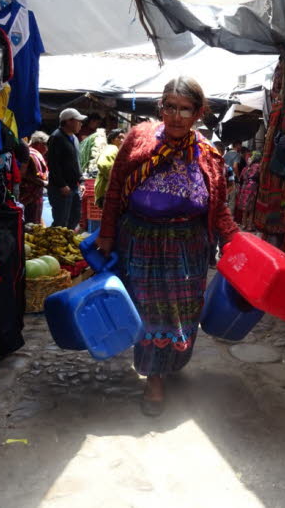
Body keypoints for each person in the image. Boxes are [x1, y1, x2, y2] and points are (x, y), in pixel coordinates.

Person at [98, 77, 238, 416]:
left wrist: (235, 242)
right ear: (161, 108)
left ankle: (169, 361)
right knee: (149, 313)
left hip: (187, 248)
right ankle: (154, 377)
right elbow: (116, 188)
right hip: (141, 242)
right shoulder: (139, 138)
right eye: (170, 107)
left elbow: (218, 207)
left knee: (181, 315)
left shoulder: (207, 155)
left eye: (184, 109)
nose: (176, 116)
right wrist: (106, 233)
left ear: (198, 113)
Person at [46, 108, 84, 229]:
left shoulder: (75, 139)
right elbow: (53, 164)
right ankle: (54, 246)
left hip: (73, 186)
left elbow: (76, 162)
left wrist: (81, 180)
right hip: (60, 188)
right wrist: (61, 184)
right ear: (68, 121)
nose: (81, 124)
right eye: (78, 121)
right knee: (61, 221)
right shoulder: (56, 137)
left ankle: (68, 244)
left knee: (74, 218)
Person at [19, 131, 49, 225]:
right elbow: (22, 174)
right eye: (46, 145)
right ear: (39, 144)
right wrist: (42, 183)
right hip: (29, 196)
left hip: (34, 195)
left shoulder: (31, 153)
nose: (47, 149)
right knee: (30, 223)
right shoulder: (30, 154)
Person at [94, 128, 125, 208]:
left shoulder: (116, 150)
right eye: (119, 138)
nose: (122, 140)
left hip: (106, 192)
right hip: (107, 192)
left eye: (123, 138)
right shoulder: (112, 148)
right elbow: (103, 164)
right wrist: (115, 179)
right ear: (112, 139)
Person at [236, 150, 262, 229]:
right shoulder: (259, 166)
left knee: (245, 207)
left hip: (245, 186)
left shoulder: (247, 167)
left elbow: (241, 177)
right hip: (253, 187)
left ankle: (243, 224)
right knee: (252, 207)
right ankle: (250, 225)